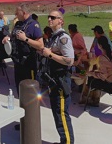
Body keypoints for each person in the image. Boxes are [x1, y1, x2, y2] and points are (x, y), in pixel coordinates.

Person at [19, 9, 75, 144]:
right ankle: (64, 140)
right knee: (57, 115)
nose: (49, 19)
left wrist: (50, 54)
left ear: (60, 21)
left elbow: (70, 60)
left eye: (53, 17)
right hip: (54, 81)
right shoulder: (54, 37)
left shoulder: (63, 38)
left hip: (61, 82)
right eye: (49, 17)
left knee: (62, 115)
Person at [2, 3, 42, 96]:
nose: (15, 14)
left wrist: (26, 39)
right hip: (18, 62)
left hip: (29, 64)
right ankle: (22, 108)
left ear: (24, 12)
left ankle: (30, 110)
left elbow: (40, 45)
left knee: (30, 91)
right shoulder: (18, 23)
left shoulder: (33, 25)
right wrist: (7, 38)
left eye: (17, 12)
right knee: (19, 89)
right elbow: (13, 36)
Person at [81, 35, 112, 106]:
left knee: (90, 79)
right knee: (93, 75)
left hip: (110, 84)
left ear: (100, 45)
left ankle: (88, 99)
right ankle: (94, 99)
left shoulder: (102, 58)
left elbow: (103, 76)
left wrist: (91, 73)